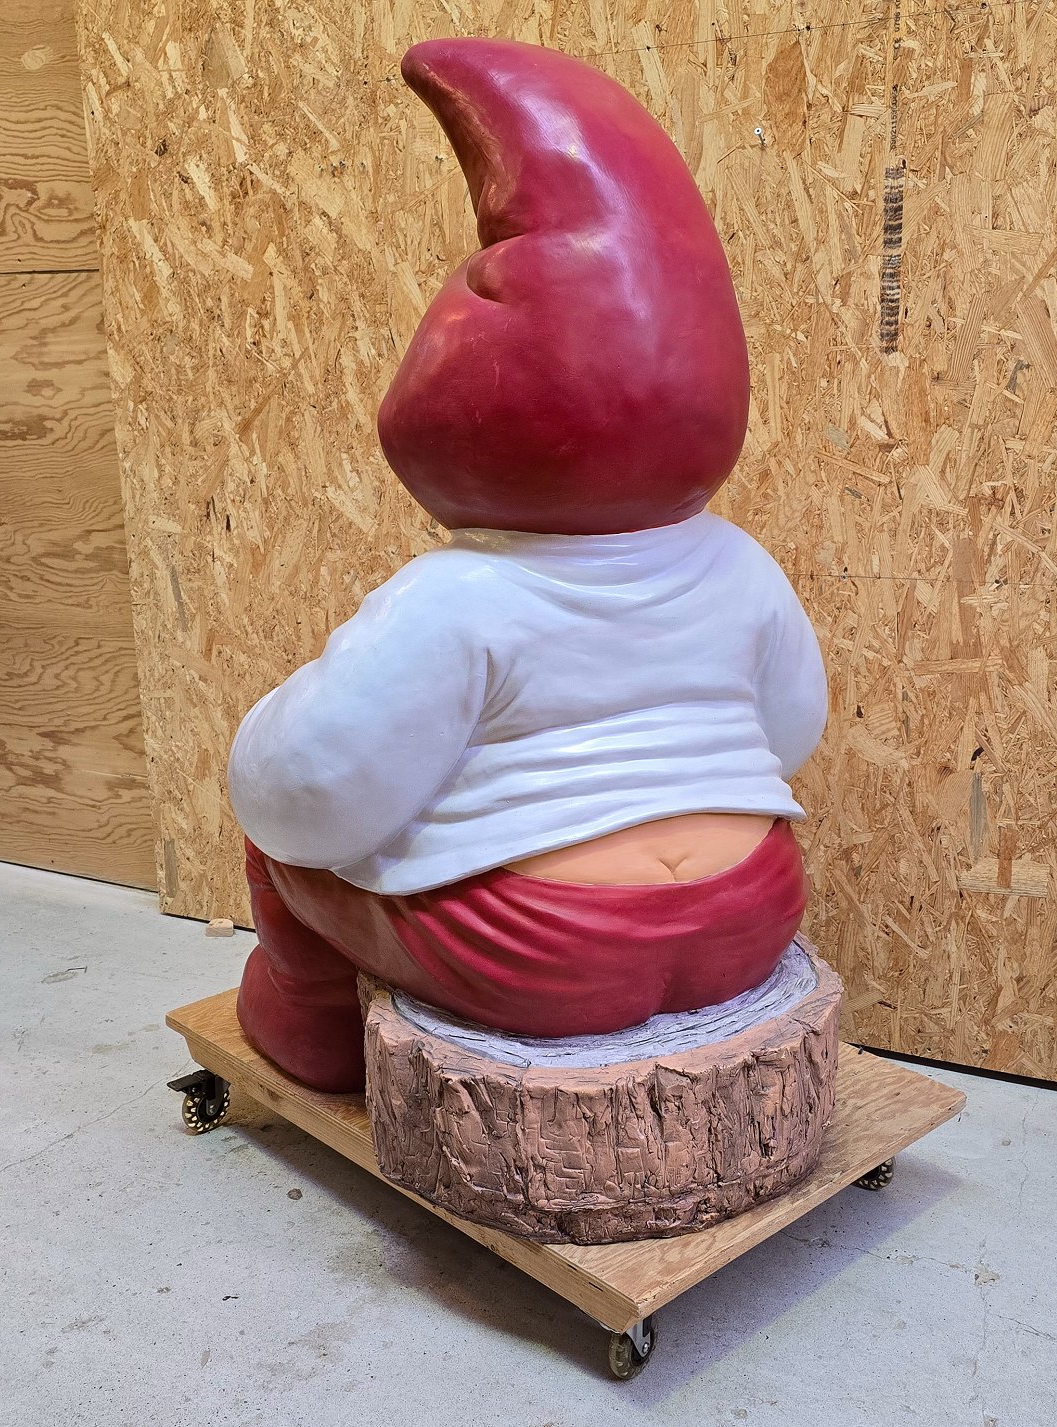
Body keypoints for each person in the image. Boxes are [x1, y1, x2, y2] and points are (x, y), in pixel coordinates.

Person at [227, 38, 828, 1092]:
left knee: (277, 854)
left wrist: (264, 735)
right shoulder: (737, 563)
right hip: (752, 904)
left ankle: (309, 1031)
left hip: (539, 948)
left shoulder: (458, 595)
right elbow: (790, 732)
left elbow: (309, 793)